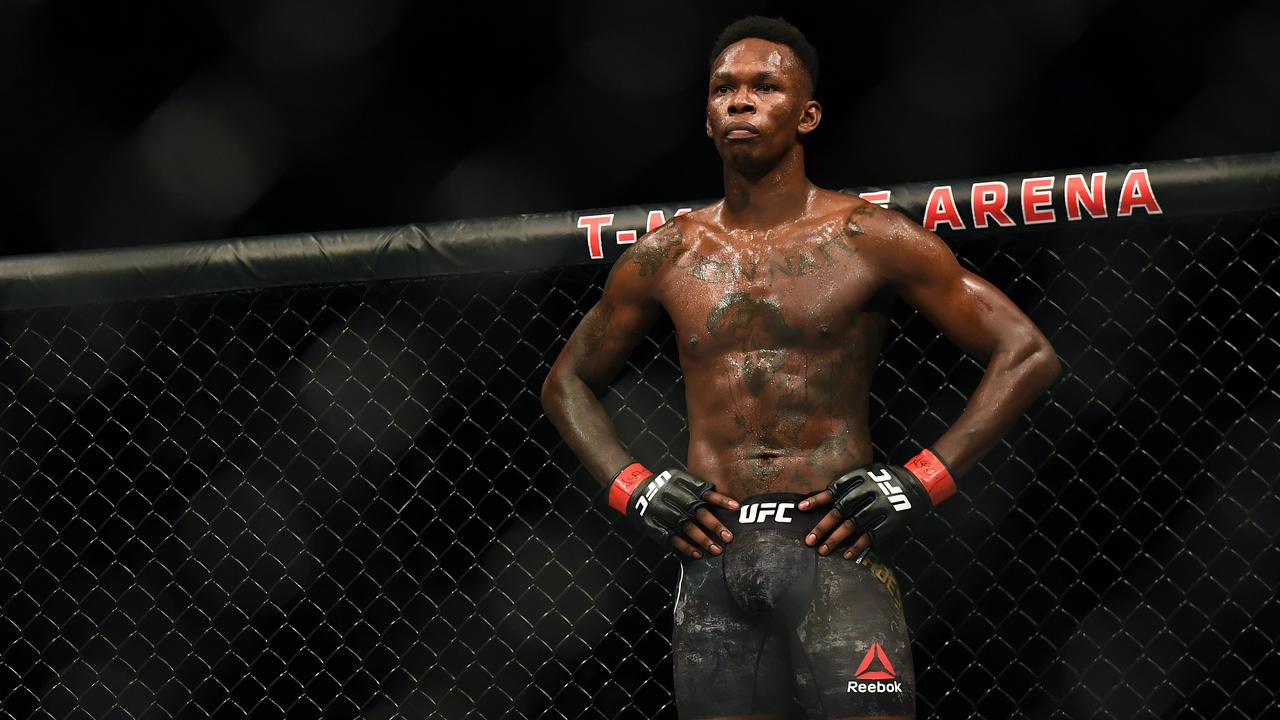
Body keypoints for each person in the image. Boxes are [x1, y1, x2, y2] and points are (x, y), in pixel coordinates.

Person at [541, 16, 1060, 720]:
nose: (741, 102)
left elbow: (1026, 352)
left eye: (765, 86)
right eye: (724, 88)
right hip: (713, 556)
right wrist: (633, 486)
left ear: (807, 114)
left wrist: (920, 479)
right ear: (705, 116)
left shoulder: (868, 238)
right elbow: (566, 381)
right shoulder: (667, 254)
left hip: (831, 546)